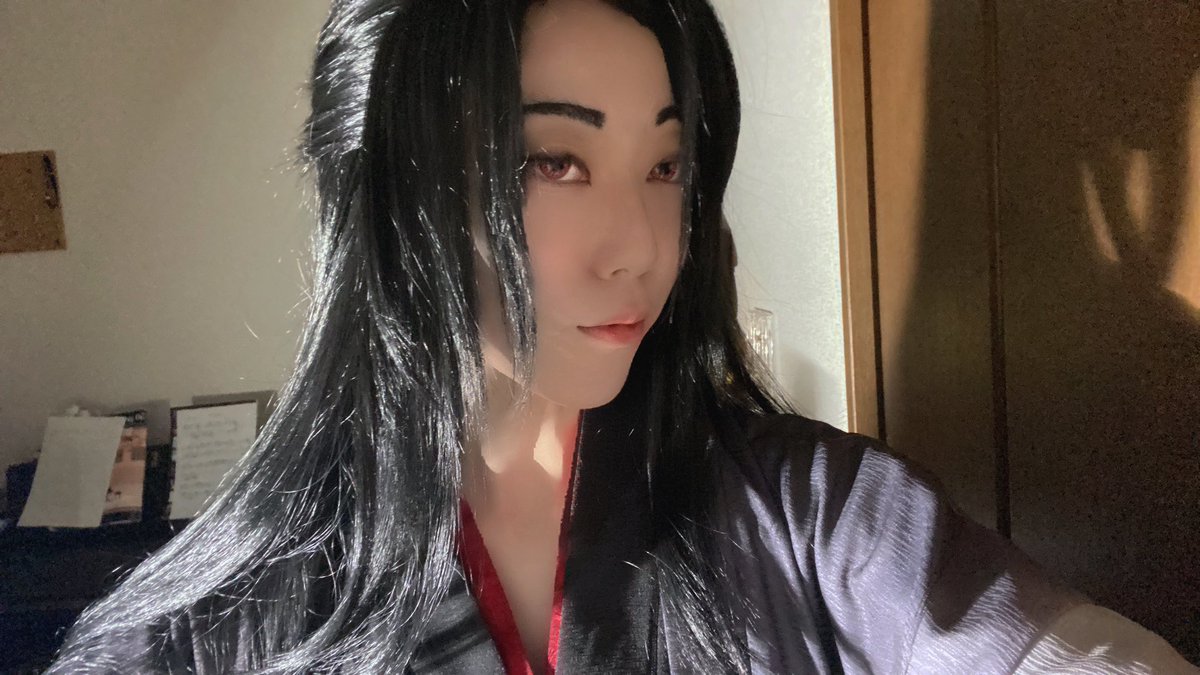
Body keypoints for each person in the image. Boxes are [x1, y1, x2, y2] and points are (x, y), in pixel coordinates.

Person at [49, 0, 1195, 673]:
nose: (640, 247)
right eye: (556, 161)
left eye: (667, 165)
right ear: (397, 191)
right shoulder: (215, 627)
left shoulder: (811, 510)